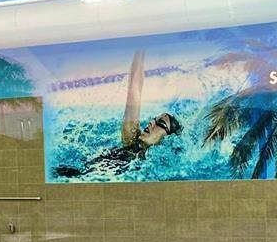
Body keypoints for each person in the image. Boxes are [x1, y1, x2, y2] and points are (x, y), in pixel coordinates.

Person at [52, 50, 182, 178]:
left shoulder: (165, 166)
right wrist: (140, 48)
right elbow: (134, 91)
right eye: (154, 119)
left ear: (168, 139)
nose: (152, 122)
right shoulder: (132, 141)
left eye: (160, 123)